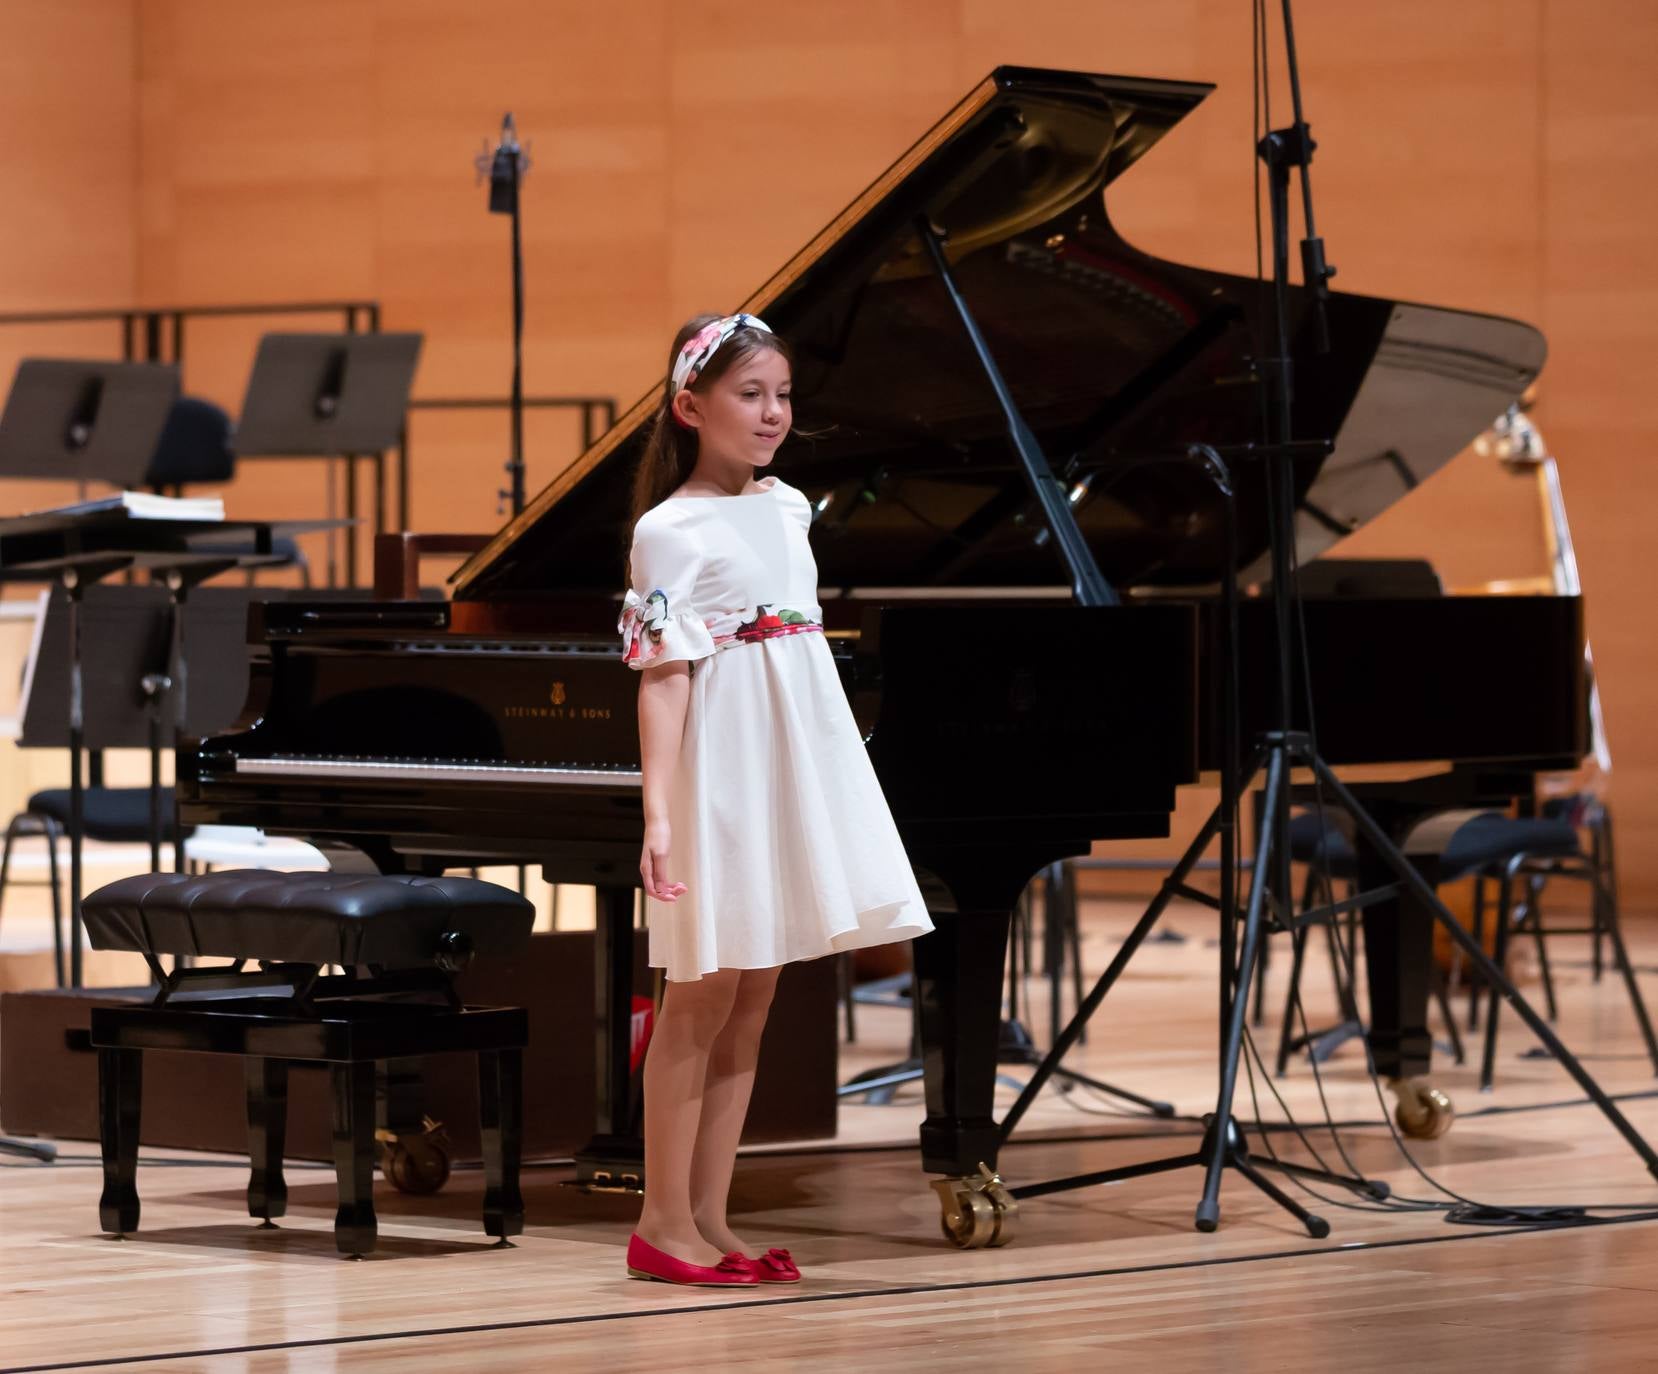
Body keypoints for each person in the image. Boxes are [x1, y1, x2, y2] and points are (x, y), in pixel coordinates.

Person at [619, 312, 934, 1287]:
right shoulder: (666, 529)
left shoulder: (789, 507)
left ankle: (709, 1218)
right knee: (698, 995)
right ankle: (658, 1220)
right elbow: (663, 674)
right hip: (721, 775)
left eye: (782, 395)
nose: (771, 413)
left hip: (786, 765)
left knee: (751, 999)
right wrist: (660, 815)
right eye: (749, 394)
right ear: (688, 407)